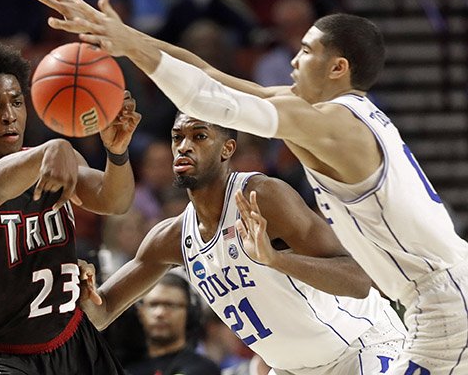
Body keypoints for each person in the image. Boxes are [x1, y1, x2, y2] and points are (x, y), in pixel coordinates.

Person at [29, 0, 468, 373]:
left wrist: (276, 260)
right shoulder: (320, 116)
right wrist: (126, 40)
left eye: (307, 51)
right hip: (414, 309)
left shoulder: (332, 127)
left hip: (424, 312)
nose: (292, 59)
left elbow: (211, 100)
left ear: (338, 68)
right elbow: (210, 78)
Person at [75, 111, 407, 374]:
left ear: (227, 148)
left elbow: (361, 279)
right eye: (178, 137)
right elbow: (101, 314)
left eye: (199, 136)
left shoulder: (261, 196)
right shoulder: (171, 237)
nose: (183, 146)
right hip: (292, 369)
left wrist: (277, 261)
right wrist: (87, 293)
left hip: (360, 348)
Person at [0, 37, 141, 374]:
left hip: (73, 340)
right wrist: (50, 149)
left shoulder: (55, 158)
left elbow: (115, 201)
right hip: (0, 356)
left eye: (16, 101)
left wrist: (117, 152)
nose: (9, 115)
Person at [126, 272, 221, 375]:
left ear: (189, 313)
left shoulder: (204, 369)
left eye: (170, 305)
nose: (160, 313)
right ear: (140, 312)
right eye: (153, 305)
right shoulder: (124, 366)